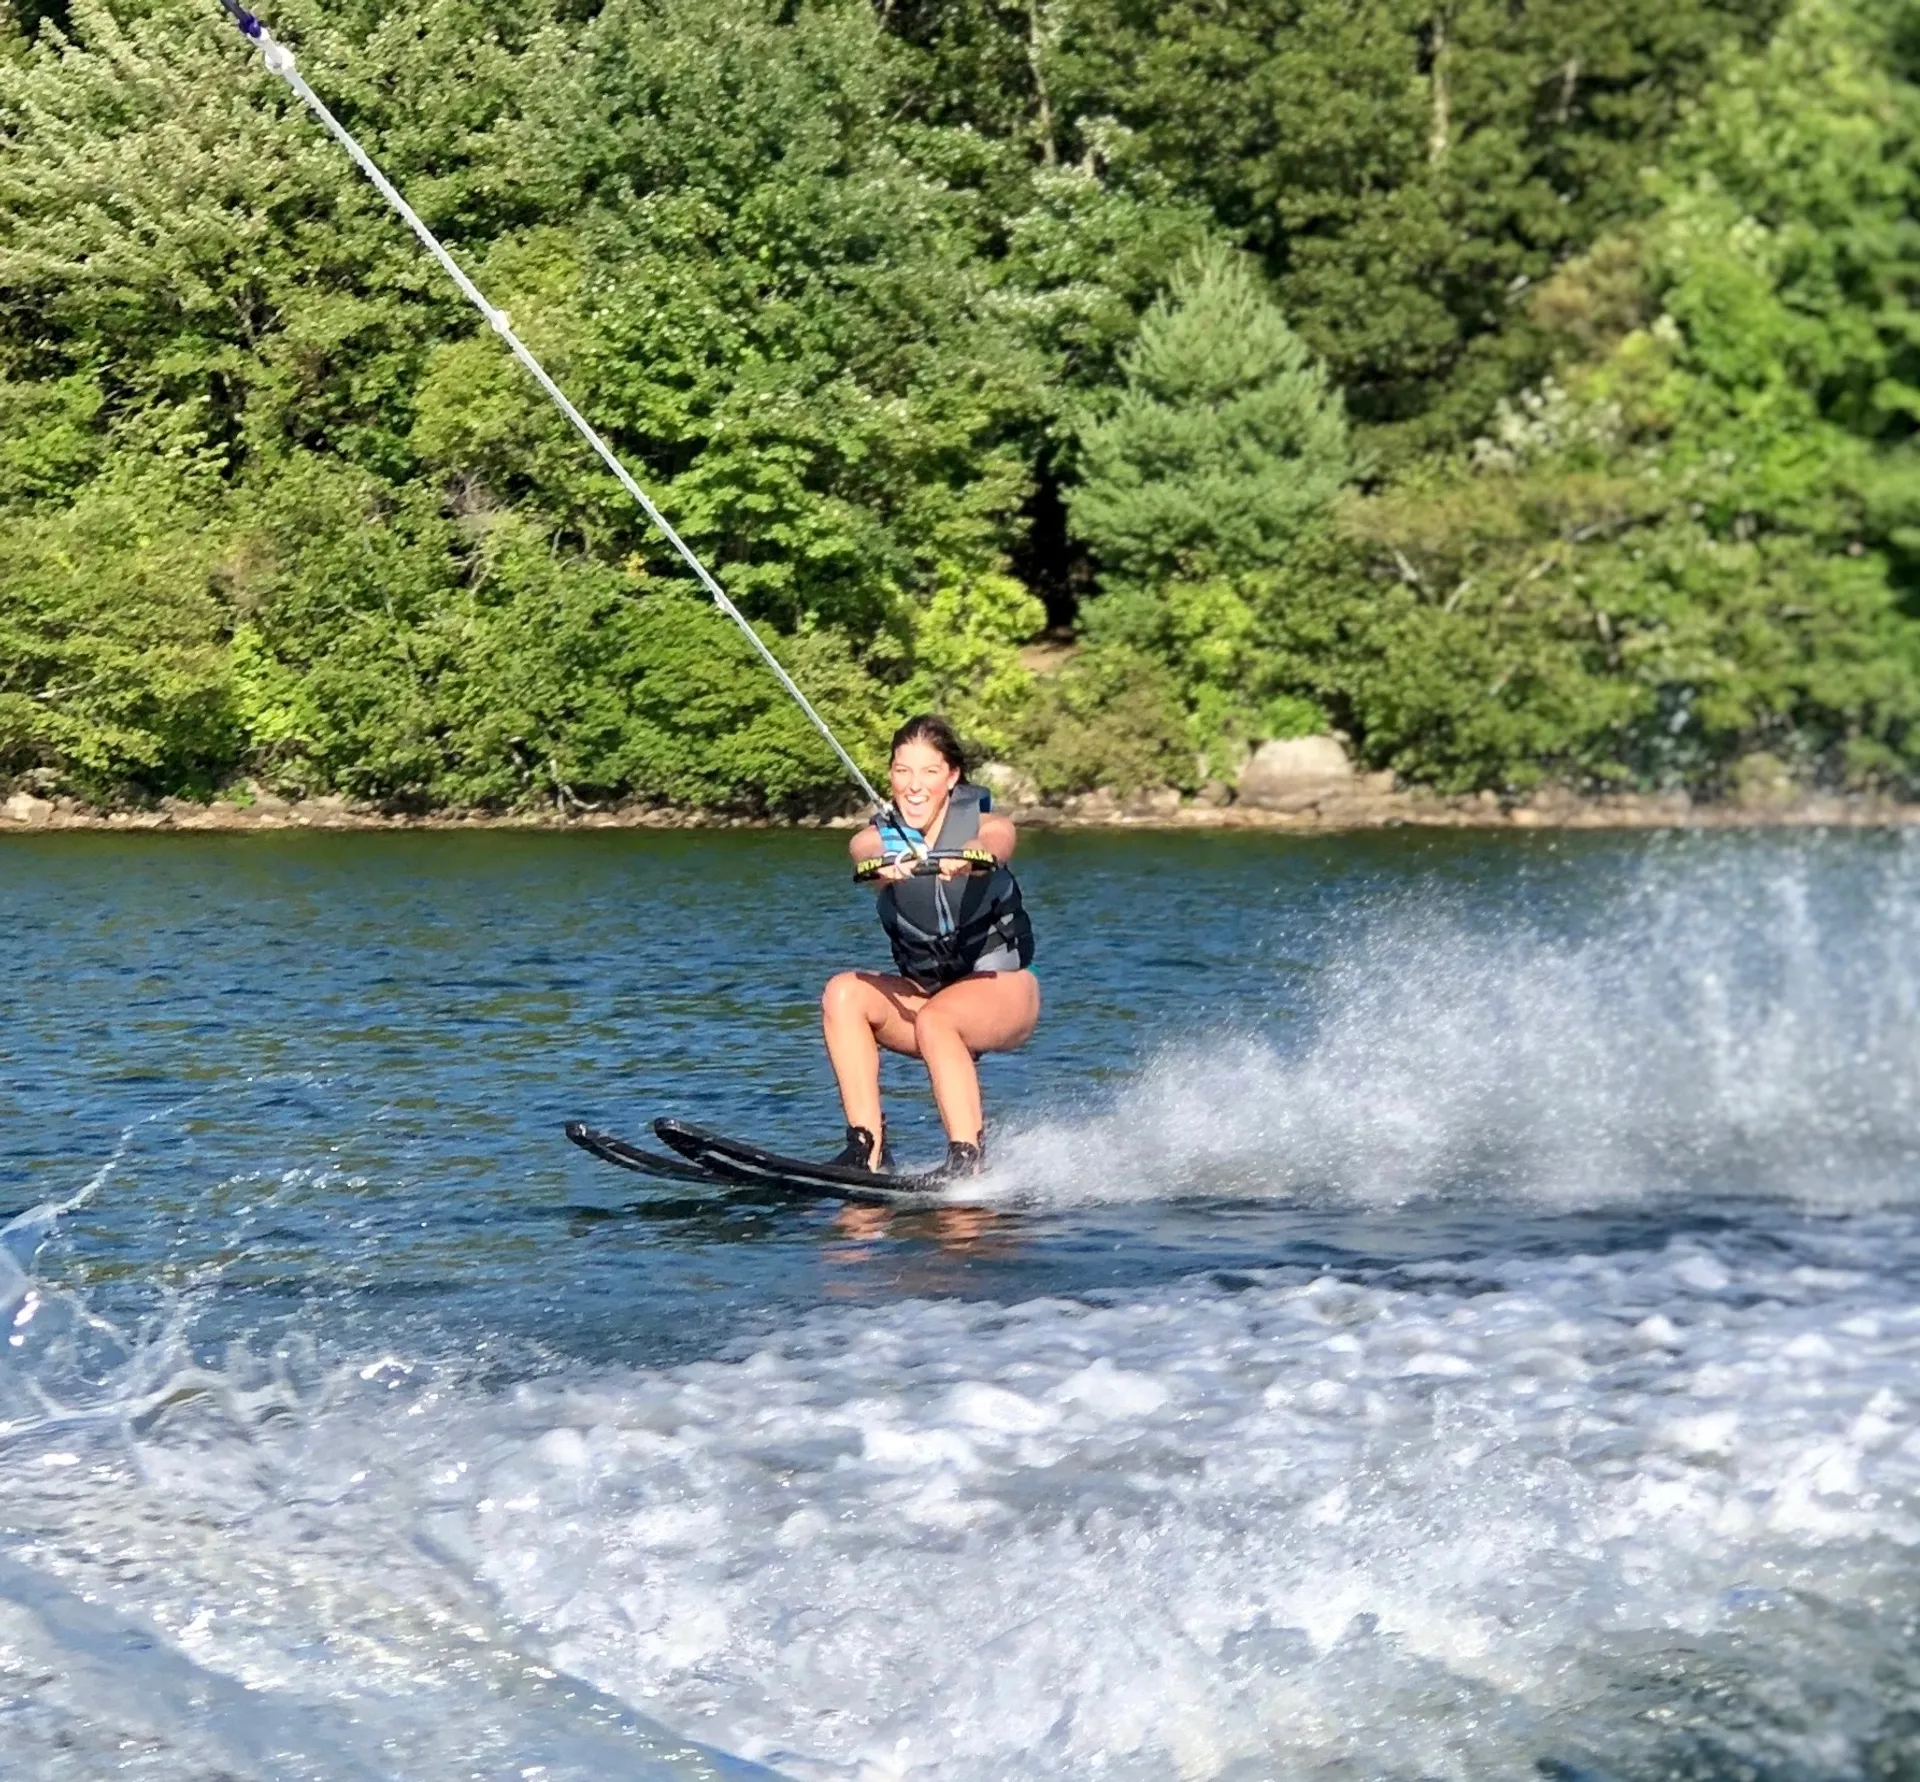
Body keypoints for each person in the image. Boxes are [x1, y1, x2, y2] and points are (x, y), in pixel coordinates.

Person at [820, 715, 1038, 1178]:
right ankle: (868, 1152)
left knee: (939, 1019)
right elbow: (861, 847)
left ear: (952, 776)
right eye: (903, 771)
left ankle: (967, 1161)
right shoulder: (882, 838)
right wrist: (882, 864)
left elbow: (998, 840)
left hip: (1003, 991)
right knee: (842, 993)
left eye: (929, 772)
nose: (914, 786)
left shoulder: (986, 826)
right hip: (926, 997)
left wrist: (973, 857)